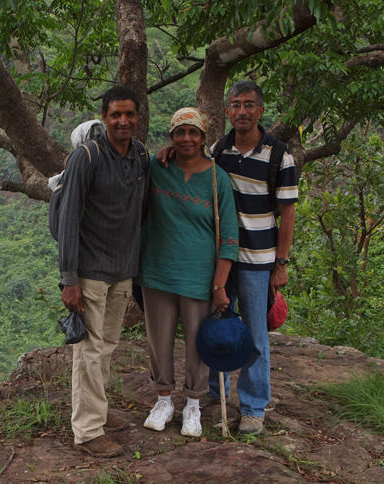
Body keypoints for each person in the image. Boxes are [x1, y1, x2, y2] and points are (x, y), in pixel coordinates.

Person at [159, 81, 298, 435]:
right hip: (221, 259)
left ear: (260, 110)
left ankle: (253, 407)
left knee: (254, 334)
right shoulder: (220, 151)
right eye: (235, 105)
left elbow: (288, 215)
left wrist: (280, 263)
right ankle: (212, 392)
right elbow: (191, 158)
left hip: (257, 258)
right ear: (227, 112)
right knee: (218, 327)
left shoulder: (279, 156)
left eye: (249, 105)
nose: (242, 112)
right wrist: (169, 151)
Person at [56, 86, 149, 458]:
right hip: (91, 270)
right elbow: (68, 220)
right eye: (115, 115)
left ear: (137, 117)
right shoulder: (86, 157)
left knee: (107, 345)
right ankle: (89, 431)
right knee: (90, 350)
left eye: (129, 114)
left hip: (122, 269)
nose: (122, 121)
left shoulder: (139, 155)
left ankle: (99, 411)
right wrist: (69, 279)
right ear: (105, 117)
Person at [140, 108, 238, 437]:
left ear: (203, 137)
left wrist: (219, 284)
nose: (186, 139)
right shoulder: (157, 168)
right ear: (171, 137)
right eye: (179, 133)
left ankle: (193, 405)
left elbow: (229, 238)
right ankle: (164, 399)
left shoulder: (216, 178)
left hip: (199, 276)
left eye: (193, 133)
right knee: (159, 339)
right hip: (157, 271)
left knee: (198, 343)